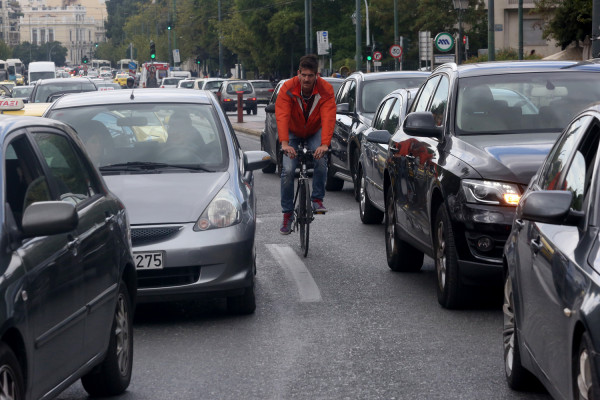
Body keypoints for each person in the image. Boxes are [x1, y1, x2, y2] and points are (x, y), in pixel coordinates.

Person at [275, 54, 336, 235]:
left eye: (311, 75)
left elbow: (328, 116)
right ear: (298, 73)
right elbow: (282, 115)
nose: (307, 79)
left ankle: (317, 199)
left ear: (317, 75)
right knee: (287, 171)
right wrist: (285, 143)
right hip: (293, 132)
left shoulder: (325, 89)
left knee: (320, 159)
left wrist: (324, 144)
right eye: (304, 75)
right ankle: (287, 214)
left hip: (314, 130)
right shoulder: (288, 87)